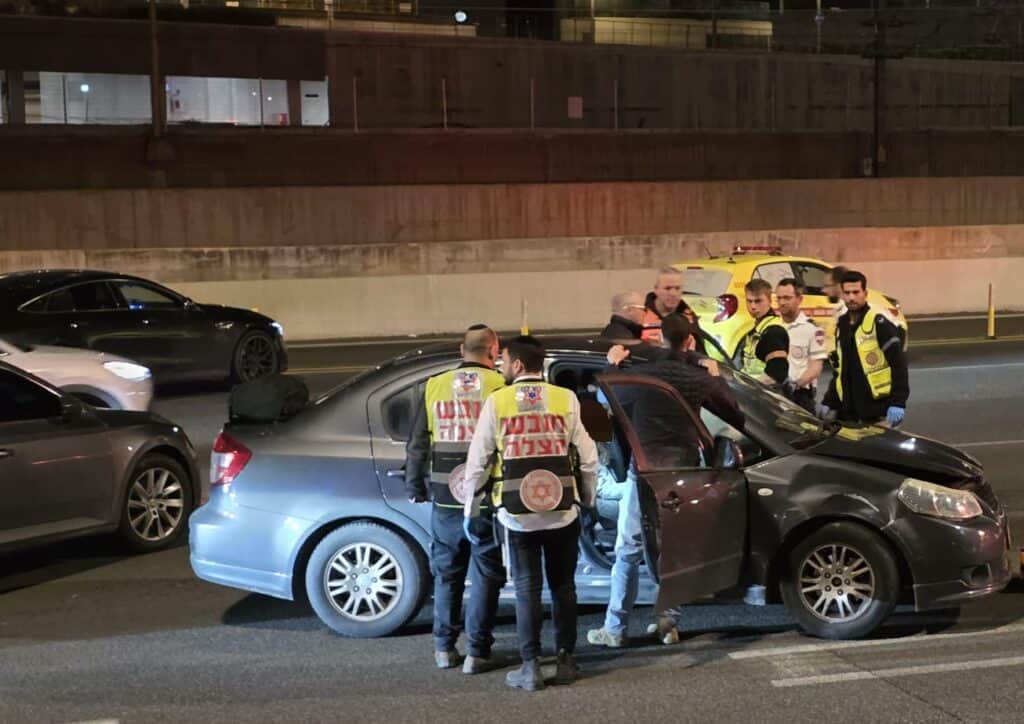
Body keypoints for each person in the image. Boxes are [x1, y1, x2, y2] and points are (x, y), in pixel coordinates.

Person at [587, 314, 744, 648]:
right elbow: (735, 413)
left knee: (627, 549)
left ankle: (614, 628)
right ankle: (667, 625)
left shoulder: (641, 375)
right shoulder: (698, 379)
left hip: (642, 472)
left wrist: (612, 364)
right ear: (689, 342)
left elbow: (605, 401)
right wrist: (716, 377)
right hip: (682, 474)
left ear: (660, 339)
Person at [462, 335, 598, 691]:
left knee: (526, 589)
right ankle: (566, 661)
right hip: (562, 511)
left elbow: (477, 461)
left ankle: (531, 666)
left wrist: (471, 507)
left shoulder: (498, 402)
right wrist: (587, 498)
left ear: (518, 365)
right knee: (564, 586)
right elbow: (588, 457)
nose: (500, 365)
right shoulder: (565, 399)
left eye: (503, 360)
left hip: (516, 513)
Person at [404, 325, 507, 674]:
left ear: (461, 349)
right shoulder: (499, 387)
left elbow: (418, 443)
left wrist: (415, 485)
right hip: (486, 497)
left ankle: (444, 649)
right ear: (494, 350)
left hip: (445, 497)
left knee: (447, 574)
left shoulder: (434, 386)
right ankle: (478, 652)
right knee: (485, 574)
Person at [822, 270, 910, 426]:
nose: (851, 297)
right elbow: (840, 370)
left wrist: (898, 402)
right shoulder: (840, 325)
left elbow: (899, 364)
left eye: (856, 292)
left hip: (879, 411)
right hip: (850, 412)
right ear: (842, 295)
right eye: (847, 293)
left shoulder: (878, 322)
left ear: (865, 293)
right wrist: (832, 403)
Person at [775, 278, 827, 413]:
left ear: (799, 299)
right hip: (773, 394)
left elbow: (816, 367)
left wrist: (796, 385)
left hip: (799, 395)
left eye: (787, 298)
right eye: (779, 298)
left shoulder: (812, 329)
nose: (781, 302)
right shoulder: (773, 326)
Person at [740, 278, 789, 386]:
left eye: (758, 301)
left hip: (765, 395)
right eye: (749, 301)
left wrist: (752, 387)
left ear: (770, 300)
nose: (753, 306)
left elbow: (777, 373)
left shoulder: (773, 331)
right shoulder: (758, 327)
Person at [641, 267, 704, 349]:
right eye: (667, 288)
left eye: (677, 288)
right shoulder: (641, 316)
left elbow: (700, 350)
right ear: (656, 289)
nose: (673, 293)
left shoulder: (689, 317)